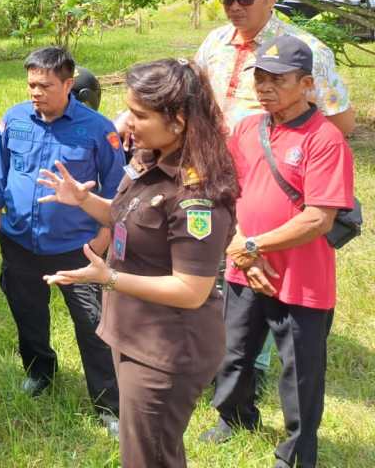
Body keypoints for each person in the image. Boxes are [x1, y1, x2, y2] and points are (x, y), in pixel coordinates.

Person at [40, 58, 239, 467]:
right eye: (129, 109)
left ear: (178, 121)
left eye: (140, 114)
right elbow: (126, 216)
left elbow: (191, 289)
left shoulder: (195, 195)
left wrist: (109, 277)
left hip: (165, 350)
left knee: (149, 458)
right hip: (134, 332)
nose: (127, 122)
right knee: (145, 452)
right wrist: (83, 200)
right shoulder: (151, 157)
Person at [201, 35, 353, 468]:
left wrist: (252, 246)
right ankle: (234, 417)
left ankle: (297, 450)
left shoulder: (325, 139)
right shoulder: (249, 129)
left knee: (299, 368)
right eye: (260, 78)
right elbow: (226, 192)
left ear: (306, 84)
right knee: (234, 351)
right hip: (244, 266)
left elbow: (318, 219)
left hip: (301, 275)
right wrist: (244, 252)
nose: (265, 87)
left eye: (278, 80)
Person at [0, 47, 122, 433]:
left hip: (76, 247)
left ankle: (108, 404)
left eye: (45, 85)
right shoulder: (14, 119)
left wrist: (102, 239)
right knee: (27, 314)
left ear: (68, 83)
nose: (36, 92)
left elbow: (116, 191)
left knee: (93, 325)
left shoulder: (98, 129)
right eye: (31, 84)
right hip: (20, 243)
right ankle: (40, 371)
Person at [194, 0, 354, 136]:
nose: (235, 7)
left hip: (271, 152)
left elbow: (341, 123)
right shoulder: (215, 40)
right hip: (213, 151)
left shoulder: (307, 50)